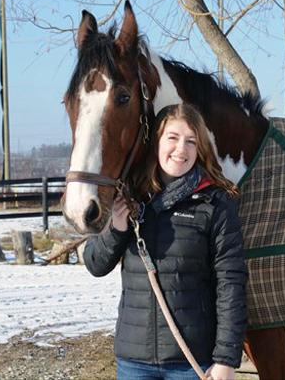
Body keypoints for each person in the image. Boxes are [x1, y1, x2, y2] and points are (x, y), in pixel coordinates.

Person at [84, 104, 248, 380]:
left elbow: (231, 283)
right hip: (134, 359)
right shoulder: (129, 197)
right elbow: (95, 264)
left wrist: (226, 359)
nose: (181, 149)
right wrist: (117, 228)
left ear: (200, 149)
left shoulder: (215, 203)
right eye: (172, 137)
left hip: (191, 360)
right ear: (156, 142)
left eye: (191, 141)